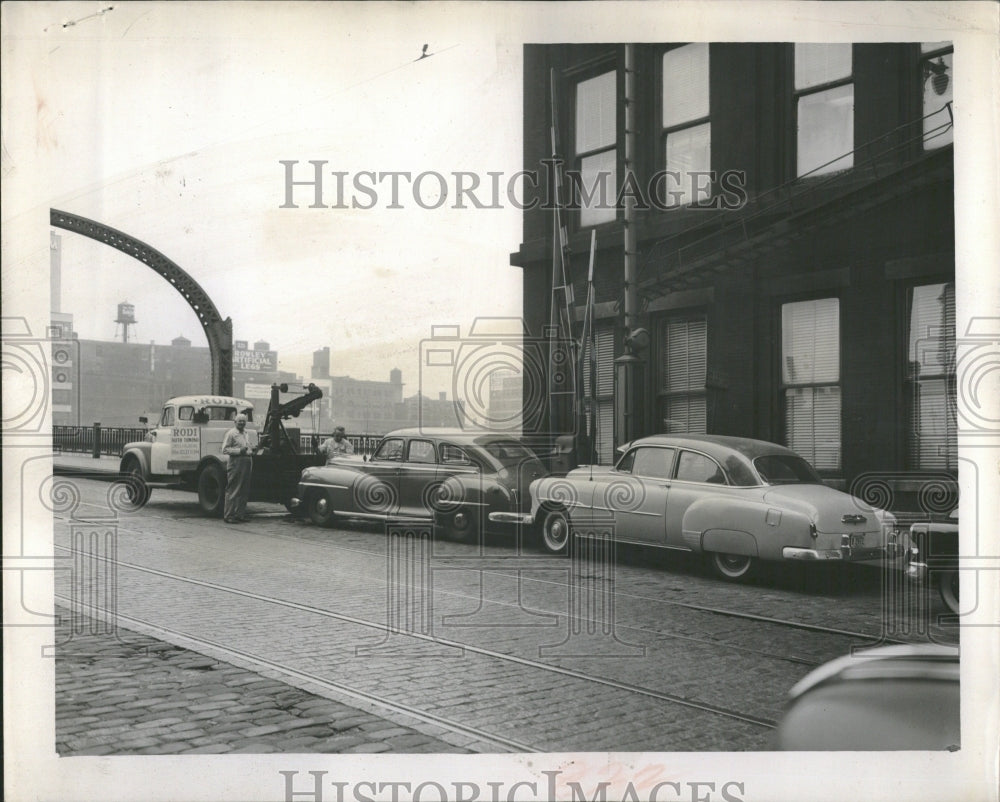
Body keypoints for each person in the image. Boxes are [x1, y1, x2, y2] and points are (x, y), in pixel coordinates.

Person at [221, 413, 253, 523]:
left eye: (244, 421)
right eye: (239, 421)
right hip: (236, 462)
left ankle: (240, 515)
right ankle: (229, 515)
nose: (242, 423)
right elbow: (225, 450)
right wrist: (239, 451)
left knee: (244, 489)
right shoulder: (231, 434)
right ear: (235, 422)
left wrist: (251, 450)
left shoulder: (246, 433)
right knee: (233, 489)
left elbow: (247, 447)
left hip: (246, 462)